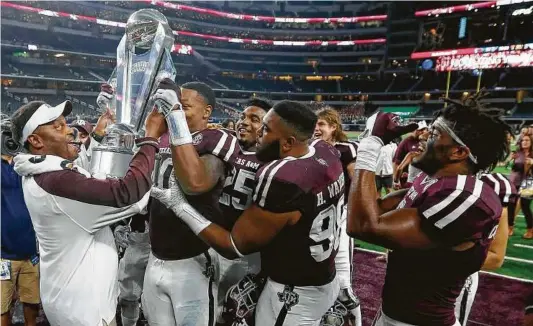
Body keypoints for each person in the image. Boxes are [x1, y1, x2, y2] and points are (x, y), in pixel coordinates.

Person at [152, 100, 344, 325]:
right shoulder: (325, 152)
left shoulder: (282, 177)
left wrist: (180, 207)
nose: (259, 133)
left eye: (266, 129)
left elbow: (233, 246)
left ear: (288, 143)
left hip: (292, 293)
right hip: (321, 278)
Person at [347, 94, 511, 326]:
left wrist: (370, 145)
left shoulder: (465, 194)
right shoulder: (433, 181)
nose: (424, 137)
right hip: (395, 314)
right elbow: (374, 209)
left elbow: (363, 225)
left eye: (434, 134)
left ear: (459, 152)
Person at [10, 99, 167, 326]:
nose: (70, 130)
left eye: (66, 123)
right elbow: (128, 192)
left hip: (70, 296)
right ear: (35, 140)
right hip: (84, 310)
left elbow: (90, 176)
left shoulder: (44, 170)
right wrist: (150, 138)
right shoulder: (58, 182)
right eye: (58, 127)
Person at [142, 80, 238, 326]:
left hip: (192, 259)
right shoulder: (162, 138)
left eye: (184, 106)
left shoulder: (217, 137)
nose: (176, 109)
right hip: (155, 255)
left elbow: (196, 183)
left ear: (207, 111)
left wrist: (174, 118)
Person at [217, 97, 270, 324]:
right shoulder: (224, 148)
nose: (244, 122)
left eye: (254, 119)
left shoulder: (271, 162)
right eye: (242, 116)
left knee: (237, 312)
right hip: (214, 240)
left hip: (247, 252)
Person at [313, 107, 362, 326]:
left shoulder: (345, 148)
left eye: (322, 124)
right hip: (315, 222)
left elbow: (357, 182)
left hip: (339, 220)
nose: (316, 128)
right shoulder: (309, 149)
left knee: (343, 285)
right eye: (315, 124)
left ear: (334, 127)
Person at [454, 172, 517, 325]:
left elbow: (495, 258)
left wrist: (433, 259)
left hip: (451, 281)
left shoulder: (490, 185)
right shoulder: (425, 175)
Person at [1, 117, 40, 326]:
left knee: (32, 303)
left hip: (30, 253)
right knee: (2, 307)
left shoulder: (26, 165)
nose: (9, 141)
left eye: (13, 137)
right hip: (3, 254)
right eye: (5, 136)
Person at [508, 134, 533, 238]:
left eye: (527, 140)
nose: (524, 142)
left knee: (525, 205)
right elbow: (509, 167)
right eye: (523, 140)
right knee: (510, 205)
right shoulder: (517, 153)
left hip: (529, 182)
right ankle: (510, 228)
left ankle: (530, 230)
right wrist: (511, 160)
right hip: (515, 181)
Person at [392, 121, 428, 188]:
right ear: (413, 130)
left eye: (424, 129)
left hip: (424, 180)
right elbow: (397, 162)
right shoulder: (405, 142)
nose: (422, 132)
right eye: (420, 130)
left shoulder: (430, 142)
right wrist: (396, 180)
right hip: (408, 179)